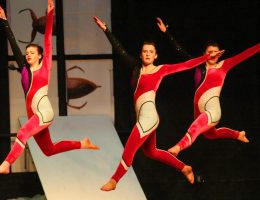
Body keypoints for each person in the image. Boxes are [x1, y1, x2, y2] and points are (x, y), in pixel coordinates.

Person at [93, 16, 224, 191]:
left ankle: (114, 180)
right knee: (151, 152)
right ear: (140, 54)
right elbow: (120, 51)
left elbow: (186, 64)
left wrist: (207, 56)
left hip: (149, 117)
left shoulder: (161, 70)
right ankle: (184, 168)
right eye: (144, 51)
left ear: (156, 56)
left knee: (130, 148)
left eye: (151, 52)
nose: (147, 53)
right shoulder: (136, 68)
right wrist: (106, 29)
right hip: (143, 116)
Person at [0, 0, 99, 176]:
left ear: (41, 56)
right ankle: (82, 143)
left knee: (22, 133)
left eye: (32, 52)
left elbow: (48, 39)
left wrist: (50, 15)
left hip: (44, 111)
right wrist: (4, 20)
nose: (28, 55)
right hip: (33, 114)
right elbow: (13, 43)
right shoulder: (25, 70)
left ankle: (7, 164)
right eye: (27, 53)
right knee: (49, 150)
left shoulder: (45, 66)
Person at [156, 17, 259, 157]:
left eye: (216, 51)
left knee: (196, 127)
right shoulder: (198, 65)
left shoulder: (224, 65)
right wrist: (166, 33)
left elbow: (245, 54)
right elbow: (180, 51)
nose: (214, 54)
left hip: (213, 108)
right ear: (204, 54)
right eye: (210, 52)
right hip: (198, 108)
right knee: (210, 134)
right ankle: (238, 134)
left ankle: (179, 147)